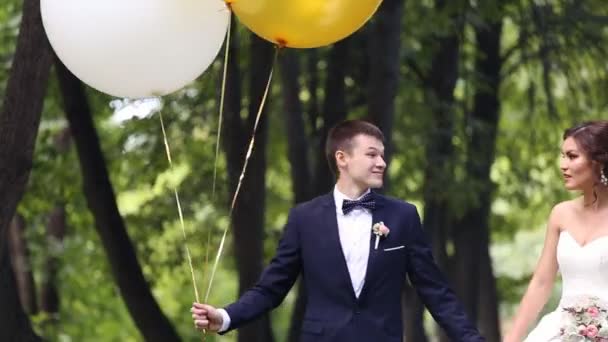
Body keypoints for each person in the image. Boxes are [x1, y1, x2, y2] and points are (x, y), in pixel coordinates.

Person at [191, 119, 484, 341]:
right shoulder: (303, 219)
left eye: (382, 155)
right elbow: (271, 288)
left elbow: (434, 290)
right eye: (372, 154)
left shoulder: (403, 216)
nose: (382, 162)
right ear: (342, 158)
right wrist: (225, 316)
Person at [504, 120, 608, 342]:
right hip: (560, 331)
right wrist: (511, 338)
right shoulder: (561, 214)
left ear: (599, 161)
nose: (562, 165)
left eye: (572, 156)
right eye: (562, 156)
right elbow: (542, 282)